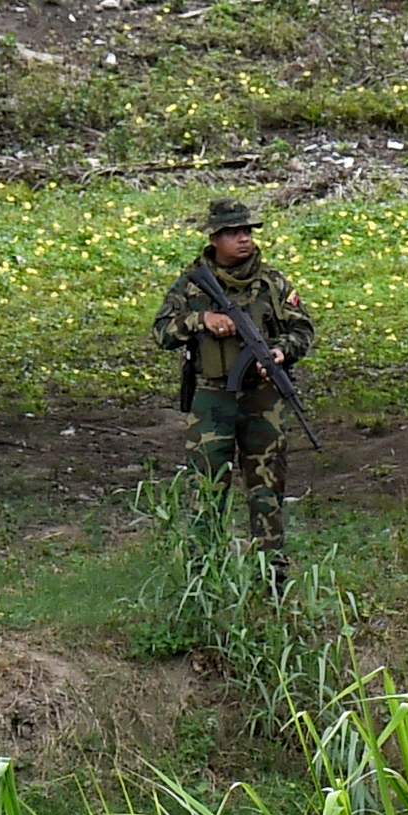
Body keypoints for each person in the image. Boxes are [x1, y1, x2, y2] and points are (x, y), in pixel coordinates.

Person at [156, 199, 315, 567]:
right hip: (212, 401)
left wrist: (280, 352)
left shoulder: (271, 282)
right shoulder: (192, 285)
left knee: (267, 490)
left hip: (263, 400)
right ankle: (204, 575)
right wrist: (202, 320)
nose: (243, 239)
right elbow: (162, 331)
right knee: (208, 491)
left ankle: (271, 574)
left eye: (247, 231)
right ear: (214, 238)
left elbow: (302, 329)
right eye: (233, 232)